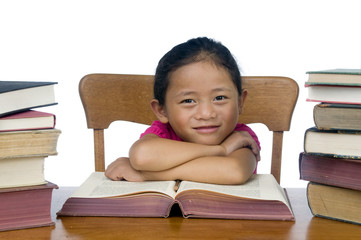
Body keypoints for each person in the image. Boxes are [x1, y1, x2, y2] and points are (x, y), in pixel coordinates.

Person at [105, 37, 260, 185]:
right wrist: (221, 150)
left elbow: (234, 171)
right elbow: (141, 156)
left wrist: (145, 174)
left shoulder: (241, 137)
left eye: (219, 98)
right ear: (161, 111)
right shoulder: (163, 133)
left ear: (240, 102)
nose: (206, 114)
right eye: (188, 101)